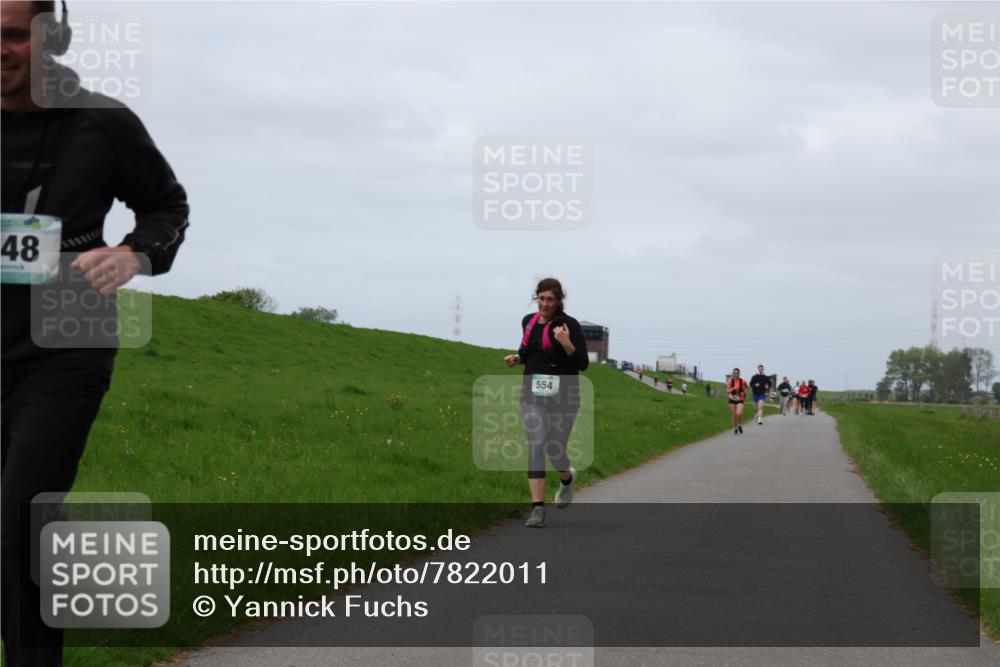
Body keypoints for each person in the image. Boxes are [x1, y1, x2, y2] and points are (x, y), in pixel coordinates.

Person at [2, 3, 189, 664]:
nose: (0, 49)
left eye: (13, 34)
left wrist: (134, 253)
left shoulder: (101, 123)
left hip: (65, 342)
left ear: (53, 37)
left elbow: (167, 203)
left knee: (24, 512)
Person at [504, 278, 588, 528]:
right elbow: (528, 351)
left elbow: (582, 363)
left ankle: (566, 478)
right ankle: (537, 510)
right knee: (537, 444)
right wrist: (516, 358)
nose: (545, 304)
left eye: (550, 299)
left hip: (564, 396)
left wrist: (566, 342)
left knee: (554, 449)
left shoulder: (569, 325)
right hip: (532, 394)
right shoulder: (528, 322)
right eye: (541, 298)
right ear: (536, 297)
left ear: (559, 300)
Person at [726, 368, 747, 434]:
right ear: (733, 374)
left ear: (739, 374)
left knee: (739, 413)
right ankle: (735, 428)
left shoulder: (743, 381)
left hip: (740, 399)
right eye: (734, 373)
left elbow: (746, 388)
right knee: (734, 415)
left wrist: (744, 392)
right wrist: (733, 388)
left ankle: (739, 425)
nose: (736, 374)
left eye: (737, 373)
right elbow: (727, 391)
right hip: (732, 399)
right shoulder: (730, 381)